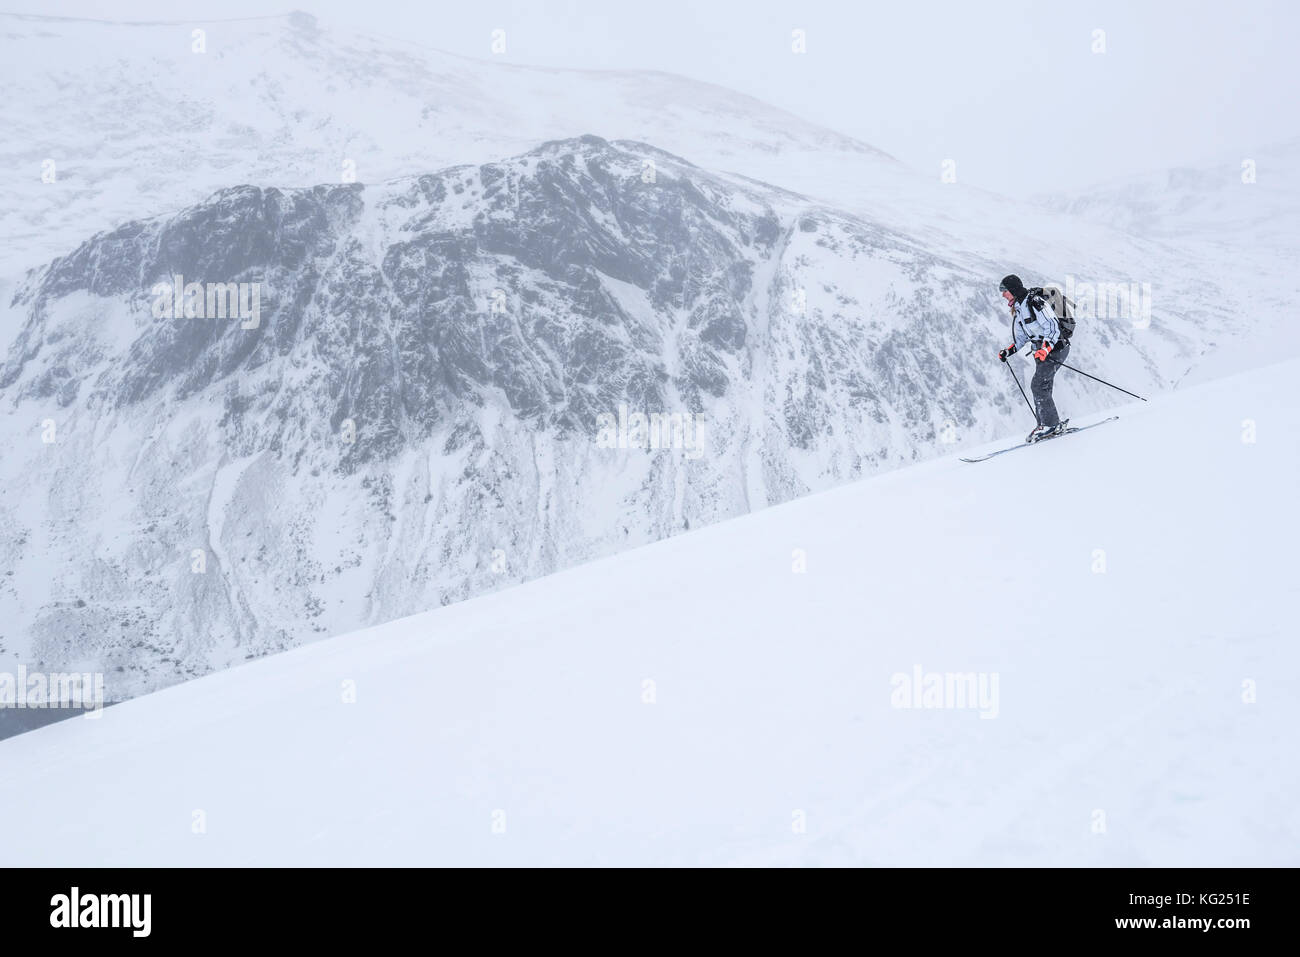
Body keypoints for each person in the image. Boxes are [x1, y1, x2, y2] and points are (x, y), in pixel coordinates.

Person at [996, 274, 1069, 442]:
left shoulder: (1035, 302)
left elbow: (1052, 327)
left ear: (1013, 289)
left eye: (1004, 291)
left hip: (1056, 349)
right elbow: (1022, 339)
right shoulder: (1020, 309)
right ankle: (1045, 424)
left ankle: (1050, 425)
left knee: (1038, 385)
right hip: (1041, 352)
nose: (1003, 295)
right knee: (1042, 386)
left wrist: (1045, 348)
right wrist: (1009, 351)